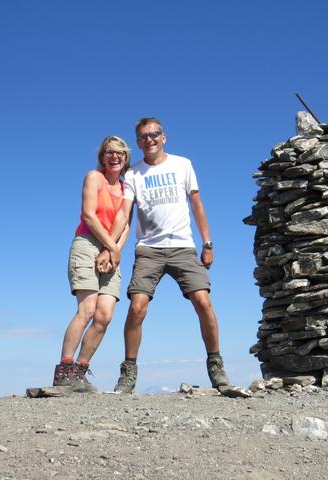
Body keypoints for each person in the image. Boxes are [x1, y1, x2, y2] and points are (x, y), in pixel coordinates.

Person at [98, 117, 231, 393]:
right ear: (138, 142)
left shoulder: (183, 164)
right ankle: (128, 372)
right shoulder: (133, 174)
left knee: (203, 302)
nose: (150, 139)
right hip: (149, 249)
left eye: (154, 134)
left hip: (183, 246)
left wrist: (207, 243)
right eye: (144, 136)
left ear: (164, 137)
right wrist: (109, 246)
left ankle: (216, 364)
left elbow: (197, 205)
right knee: (137, 307)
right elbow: (124, 213)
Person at [53, 135, 131, 392]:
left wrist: (115, 251)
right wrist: (110, 246)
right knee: (86, 310)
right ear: (102, 156)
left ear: (125, 157)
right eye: (109, 152)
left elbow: (126, 223)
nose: (115, 156)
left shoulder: (125, 187)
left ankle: (80, 372)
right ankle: (64, 371)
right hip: (87, 243)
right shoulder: (93, 178)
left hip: (111, 250)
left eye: (120, 152)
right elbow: (89, 214)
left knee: (104, 315)